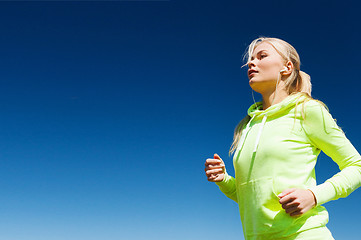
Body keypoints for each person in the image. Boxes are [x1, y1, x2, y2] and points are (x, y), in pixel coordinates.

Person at [204, 37, 361, 240]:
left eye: (262, 56)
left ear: (287, 67)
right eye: (250, 59)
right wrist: (224, 180)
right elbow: (252, 198)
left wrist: (313, 196)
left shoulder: (307, 111)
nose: (251, 63)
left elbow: (357, 166)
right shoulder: (247, 126)